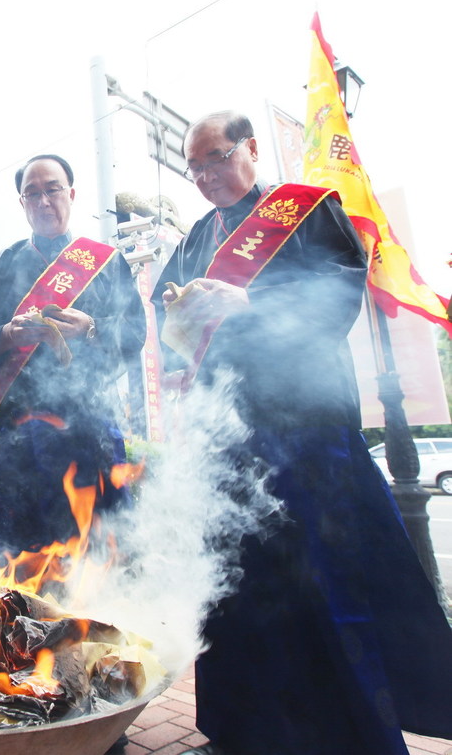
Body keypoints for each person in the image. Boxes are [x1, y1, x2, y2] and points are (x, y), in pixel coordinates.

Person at [154, 111, 452, 755]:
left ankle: (350, 738)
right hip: (224, 435)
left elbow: (339, 289)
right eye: (194, 167)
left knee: (325, 580)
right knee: (235, 586)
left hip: (305, 426)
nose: (205, 176)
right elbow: (165, 311)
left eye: (216, 158)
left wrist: (250, 303)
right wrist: (180, 339)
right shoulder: (196, 238)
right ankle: (241, 732)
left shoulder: (307, 209)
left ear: (251, 149)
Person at [0, 155, 145, 558]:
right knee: (11, 557)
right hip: (13, 433)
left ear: (71, 194)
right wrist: (6, 335)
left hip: (88, 426)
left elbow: (135, 333)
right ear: (22, 202)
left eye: (53, 189)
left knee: (95, 551)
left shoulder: (106, 263)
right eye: (32, 193)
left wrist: (91, 327)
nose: (44, 201)